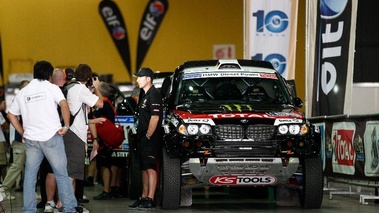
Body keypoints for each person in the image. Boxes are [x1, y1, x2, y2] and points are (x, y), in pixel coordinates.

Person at [6, 60, 79, 213]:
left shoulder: (23, 91)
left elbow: (11, 115)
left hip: (32, 140)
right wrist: (66, 126)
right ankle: (69, 208)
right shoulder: (51, 88)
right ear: (48, 74)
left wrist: (22, 132)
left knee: (30, 177)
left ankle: (28, 210)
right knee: (61, 174)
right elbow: (64, 105)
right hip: (51, 137)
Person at [63, 64, 103, 210]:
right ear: (88, 77)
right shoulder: (80, 89)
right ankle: (65, 205)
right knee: (71, 174)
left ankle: (70, 205)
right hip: (75, 136)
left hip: (70, 134)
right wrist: (97, 87)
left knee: (71, 173)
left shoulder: (69, 87)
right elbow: (100, 103)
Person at [129, 68, 162, 209]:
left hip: (150, 138)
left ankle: (151, 198)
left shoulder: (154, 94)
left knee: (150, 167)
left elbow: (155, 117)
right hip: (142, 137)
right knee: (143, 168)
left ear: (148, 78)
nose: (137, 80)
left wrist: (148, 135)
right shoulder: (145, 94)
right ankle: (143, 196)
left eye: (139, 77)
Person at [0, 80, 29, 201]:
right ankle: (3, 189)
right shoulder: (18, 100)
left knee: (29, 167)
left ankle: (29, 192)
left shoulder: (26, 100)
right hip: (19, 139)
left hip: (26, 139)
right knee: (17, 165)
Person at [92, 82, 115, 200]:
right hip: (105, 139)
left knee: (105, 165)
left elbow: (94, 118)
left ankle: (107, 190)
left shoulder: (104, 104)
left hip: (104, 140)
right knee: (103, 165)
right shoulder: (108, 103)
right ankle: (107, 189)